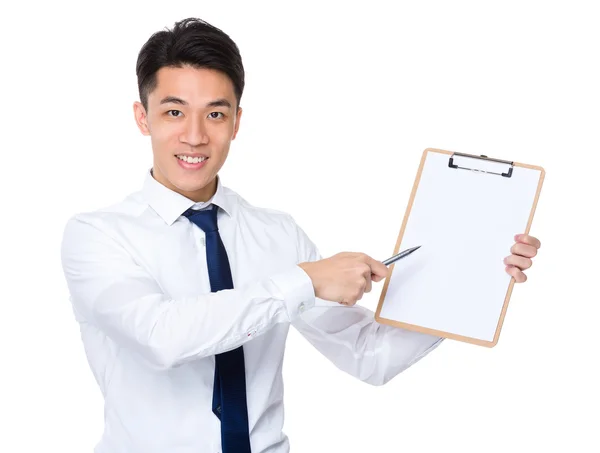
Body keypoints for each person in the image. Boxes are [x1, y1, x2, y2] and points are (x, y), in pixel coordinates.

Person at [60, 17, 542, 453]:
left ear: (236, 123)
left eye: (215, 113)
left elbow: (368, 357)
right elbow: (161, 337)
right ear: (143, 118)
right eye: (173, 112)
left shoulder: (276, 234)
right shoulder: (97, 236)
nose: (194, 136)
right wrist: (304, 281)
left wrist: (473, 278)